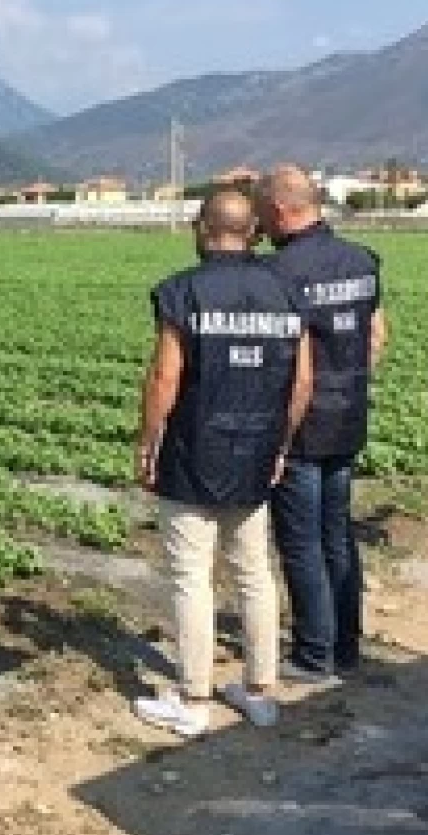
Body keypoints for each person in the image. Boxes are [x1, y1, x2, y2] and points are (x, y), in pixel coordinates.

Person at [134, 188, 313, 736]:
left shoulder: (182, 292)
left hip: (194, 447)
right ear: (252, 230)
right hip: (258, 449)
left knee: (191, 575)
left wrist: (147, 440)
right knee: (254, 573)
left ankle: (192, 700)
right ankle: (260, 692)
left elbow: (166, 377)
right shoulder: (285, 292)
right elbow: (303, 379)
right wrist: (282, 443)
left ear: (203, 227)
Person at [257, 165, 390, 683]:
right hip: (349, 414)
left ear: (280, 209)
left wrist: (279, 430)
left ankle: (314, 655)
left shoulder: (278, 275)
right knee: (338, 533)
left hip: (303, 423)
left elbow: (289, 364)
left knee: (301, 539)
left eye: (264, 213)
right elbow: (378, 336)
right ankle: (348, 645)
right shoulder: (362, 261)